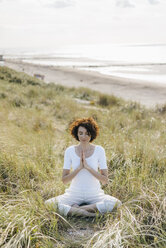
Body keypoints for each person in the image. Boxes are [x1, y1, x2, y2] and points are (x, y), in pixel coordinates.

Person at [45, 117, 122, 217]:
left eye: (87, 133)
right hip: (74, 193)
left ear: (92, 134)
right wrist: (79, 168)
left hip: (94, 193)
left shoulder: (99, 150)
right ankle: (87, 214)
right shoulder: (70, 151)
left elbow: (105, 180)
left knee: (117, 203)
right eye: (80, 133)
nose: (83, 136)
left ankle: (80, 209)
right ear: (76, 134)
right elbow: (64, 180)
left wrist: (88, 167)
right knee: (49, 204)